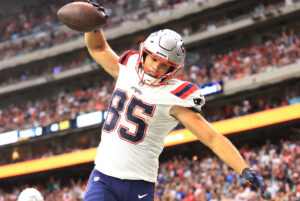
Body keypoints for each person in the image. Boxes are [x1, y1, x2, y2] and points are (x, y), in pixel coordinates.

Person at [84, 2, 265, 201]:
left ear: (174, 70)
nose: (155, 68)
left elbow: (212, 138)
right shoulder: (127, 69)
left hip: (139, 184)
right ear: (143, 54)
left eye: (165, 66)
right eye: (153, 59)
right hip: (102, 176)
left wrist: (244, 169)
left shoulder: (174, 96)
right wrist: (92, 26)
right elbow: (99, 48)